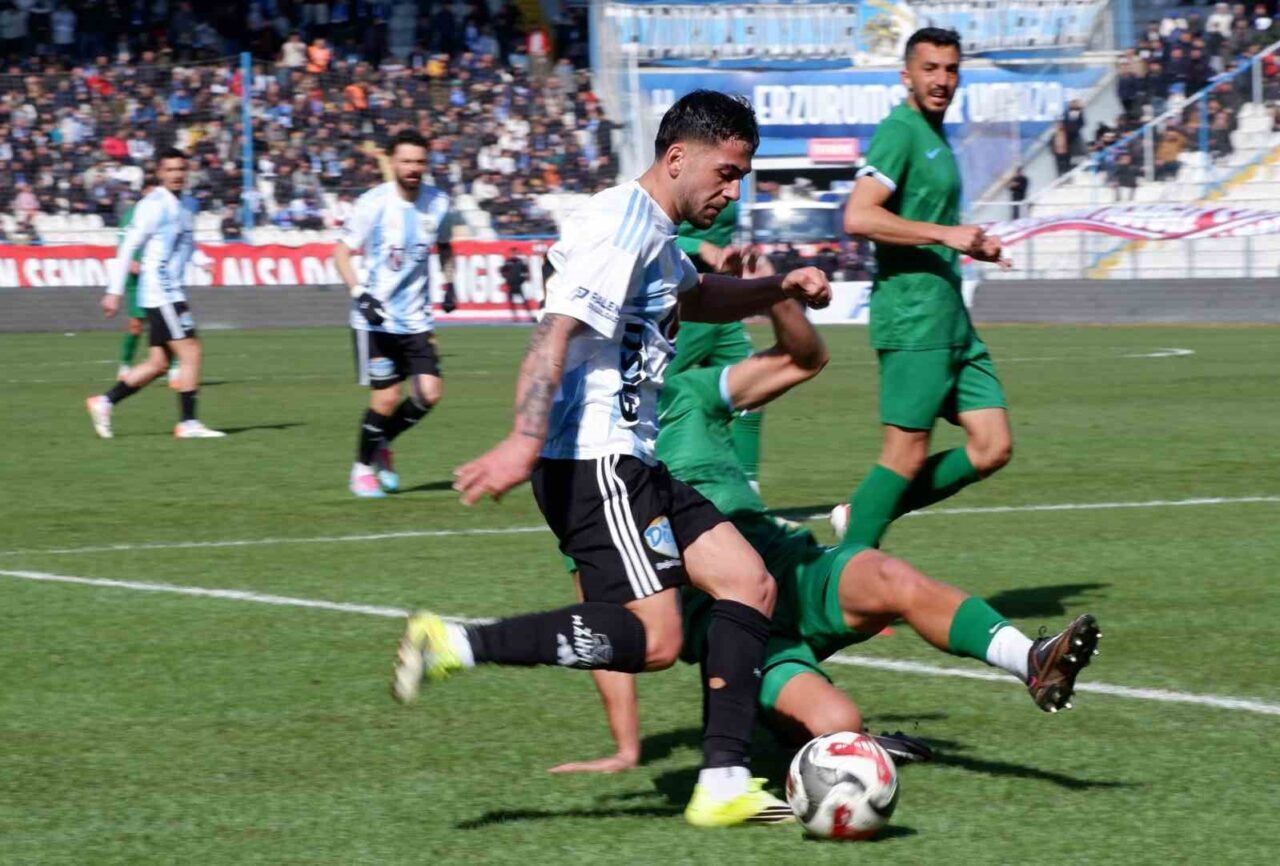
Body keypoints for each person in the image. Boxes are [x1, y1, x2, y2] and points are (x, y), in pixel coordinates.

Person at [394, 91, 831, 828]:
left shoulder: (655, 233)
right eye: (726, 173)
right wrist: (522, 440)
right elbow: (553, 332)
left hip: (631, 459)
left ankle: (724, 782)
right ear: (677, 158)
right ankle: (455, 644)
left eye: (742, 177)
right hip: (594, 459)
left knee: (748, 582)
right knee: (656, 639)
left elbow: (697, 296)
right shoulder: (619, 225)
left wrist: (776, 287)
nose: (733, 192)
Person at [551, 281, 1101, 774]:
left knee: (884, 573)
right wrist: (626, 748)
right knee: (840, 727)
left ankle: (1029, 660)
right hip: (734, 626)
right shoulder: (587, 467)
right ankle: (787, 715)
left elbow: (804, 358)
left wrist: (776, 293)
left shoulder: (688, 394)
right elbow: (599, 616)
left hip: (796, 570)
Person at [841, 27, 1012, 551]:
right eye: (930, 68)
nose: (941, 80)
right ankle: (843, 573)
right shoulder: (900, 131)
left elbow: (925, 221)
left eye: (951, 69)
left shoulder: (935, 135)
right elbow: (858, 215)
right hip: (914, 318)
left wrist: (972, 245)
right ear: (906, 75)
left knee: (993, 445)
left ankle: (865, 511)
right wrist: (944, 234)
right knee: (904, 454)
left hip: (951, 319)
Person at [333, 128, 457, 499]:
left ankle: (382, 442)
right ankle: (361, 469)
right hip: (376, 320)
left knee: (429, 394)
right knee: (386, 399)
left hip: (417, 319)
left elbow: (446, 246)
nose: (413, 168)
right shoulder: (373, 203)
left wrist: (450, 283)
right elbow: (341, 254)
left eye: (419, 161)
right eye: (406, 161)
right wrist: (360, 295)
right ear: (392, 162)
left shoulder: (439, 203)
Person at [86, 148, 224, 440]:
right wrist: (114, 292)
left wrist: (203, 260)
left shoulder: (186, 205)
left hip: (169, 290)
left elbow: (187, 243)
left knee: (159, 363)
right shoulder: (153, 205)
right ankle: (188, 423)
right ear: (160, 173)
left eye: (181, 169)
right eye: (170, 170)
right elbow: (128, 247)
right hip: (162, 291)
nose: (176, 175)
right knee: (191, 350)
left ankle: (104, 402)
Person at [671, 198, 765, 490]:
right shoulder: (677, 180)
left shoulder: (730, 187)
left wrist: (738, 255)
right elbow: (651, 234)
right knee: (652, 396)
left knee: (754, 393)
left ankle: (747, 492)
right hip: (681, 304)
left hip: (720, 300)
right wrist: (700, 247)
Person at [114, 180, 152, 380]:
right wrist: (131, 260)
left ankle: (174, 370)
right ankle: (126, 365)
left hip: (157, 274)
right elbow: (123, 240)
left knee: (164, 324)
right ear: (143, 193)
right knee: (135, 325)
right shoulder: (132, 215)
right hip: (137, 278)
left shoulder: (166, 212)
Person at [499, 247, 532, 320]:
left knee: (524, 301)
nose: (514, 254)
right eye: (513, 253)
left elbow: (525, 271)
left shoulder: (520, 262)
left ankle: (530, 315)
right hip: (511, 284)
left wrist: (522, 279)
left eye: (515, 253)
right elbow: (502, 271)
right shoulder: (508, 262)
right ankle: (515, 316)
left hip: (518, 284)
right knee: (511, 301)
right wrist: (507, 278)